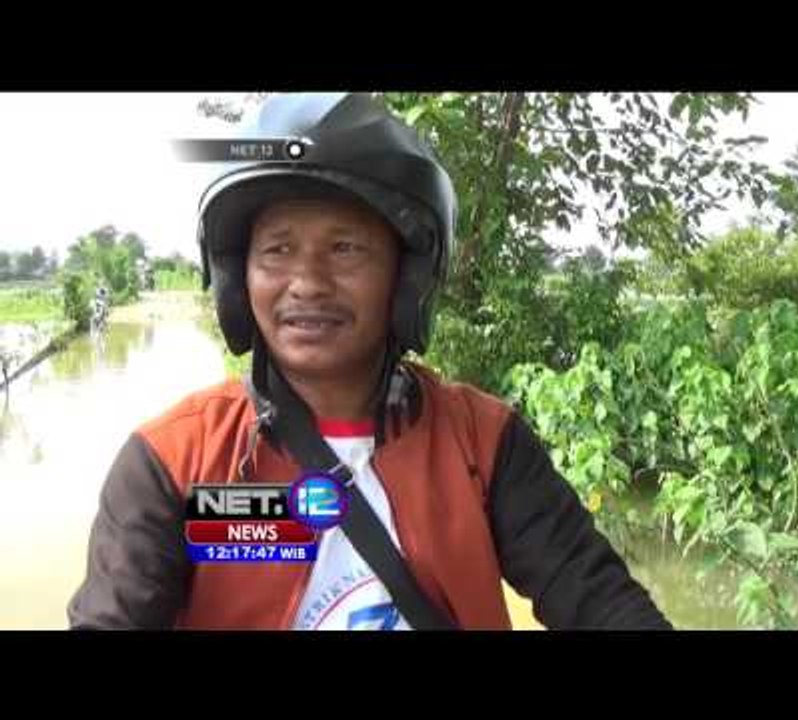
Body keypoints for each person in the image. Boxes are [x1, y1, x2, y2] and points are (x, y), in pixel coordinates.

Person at [67, 93, 672, 630]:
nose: (306, 282)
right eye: (278, 249)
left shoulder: (484, 444)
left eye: (345, 248)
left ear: (405, 276)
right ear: (237, 274)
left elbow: (595, 596)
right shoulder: (173, 460)